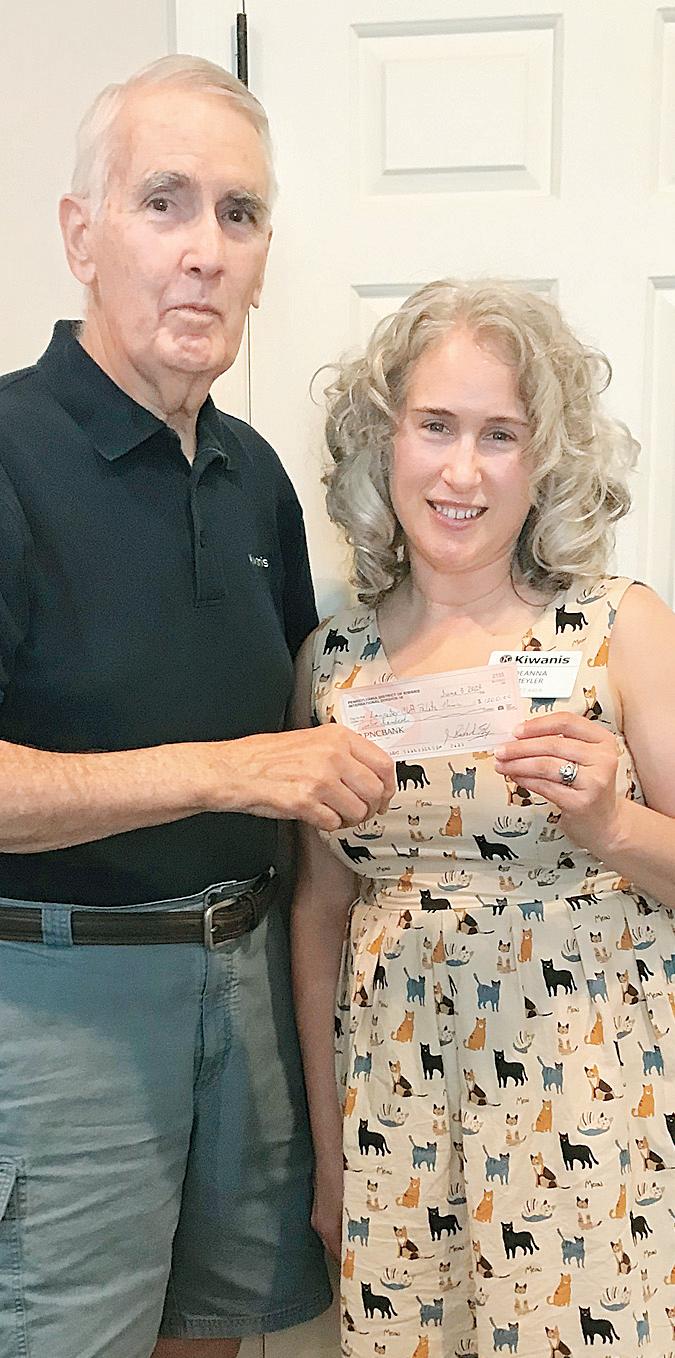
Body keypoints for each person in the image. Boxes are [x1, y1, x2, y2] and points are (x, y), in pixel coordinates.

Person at [0, 55, 395, 1358]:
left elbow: (311, 723)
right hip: (59, 1001)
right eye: (164, 202)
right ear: (81, 235)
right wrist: (226, 769)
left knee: (215, 1338)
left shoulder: (253, 475)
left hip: (249, 983)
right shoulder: (9, 452)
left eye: (240, 214)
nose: (205, 251)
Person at [291, 278, 675, 1358]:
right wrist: (331, 1153)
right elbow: (319, 915)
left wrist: (611, 825)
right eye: (435, 426)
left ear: (544, 458)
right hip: (394, 1109)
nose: (462, 471)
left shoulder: (618, 628)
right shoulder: (332, 661)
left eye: (499, 434)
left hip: (594, 1099)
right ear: (383, 442)